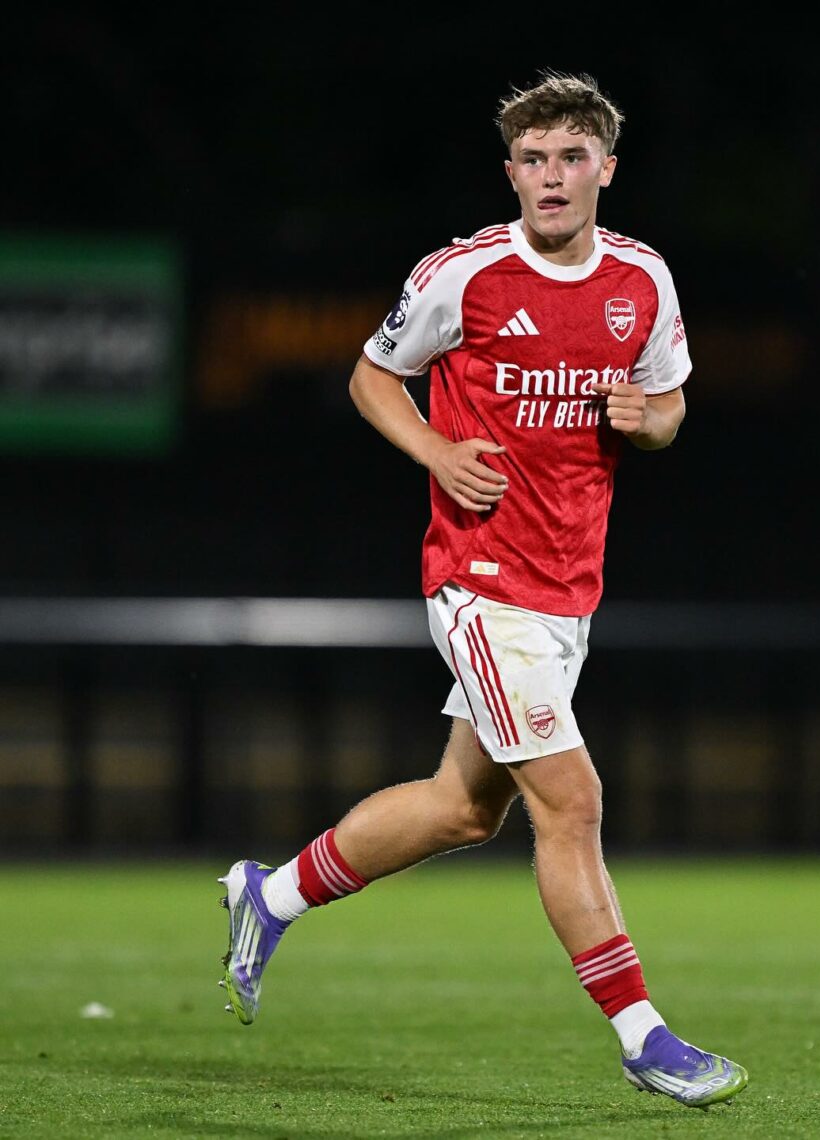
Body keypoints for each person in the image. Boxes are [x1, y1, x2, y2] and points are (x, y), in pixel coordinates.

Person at [217, 69, 748, 1111]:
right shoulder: (465, 275)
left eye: (571, 158)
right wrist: (433, 451)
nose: (551, 178)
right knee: (574, 801)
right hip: (480, 580)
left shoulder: (643, 279)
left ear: (605, 167)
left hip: (567, 589)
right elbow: (374, 375)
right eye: (533, 160)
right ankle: (645, 1038)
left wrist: (656, 420)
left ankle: (267, 894)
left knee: (463, 810)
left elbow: (671, 399)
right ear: (512, 172)